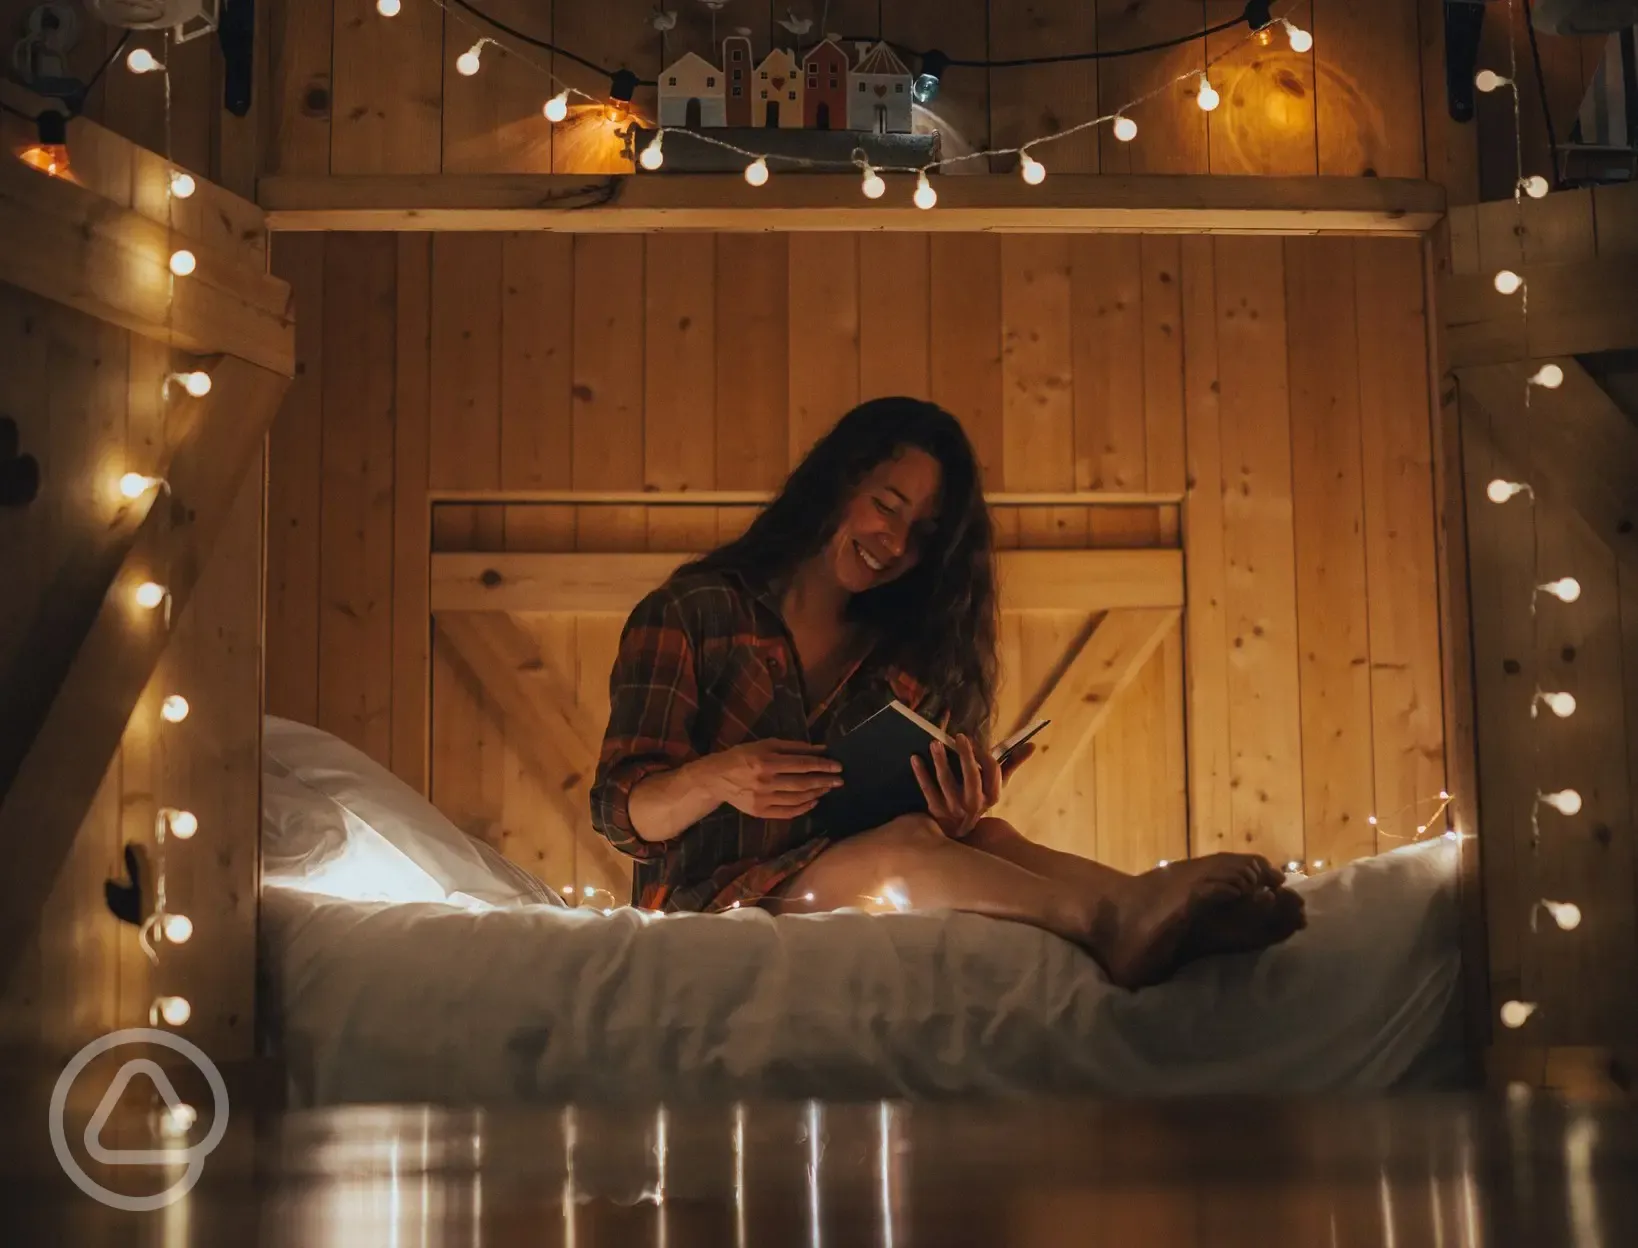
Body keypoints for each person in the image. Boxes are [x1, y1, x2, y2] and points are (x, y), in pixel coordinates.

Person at [590, 398, 1305, 989]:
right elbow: (624, 815)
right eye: (887, 506)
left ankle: (1148, 904)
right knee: (905, 848)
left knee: (987, 835)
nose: (896, 543)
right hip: (703, 898)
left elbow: (928, 830)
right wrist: (719, 777)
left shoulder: (903, 655)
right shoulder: (695, 611)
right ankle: (1114, 920)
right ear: (837, 485)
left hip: (839, 870)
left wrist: (955, 808)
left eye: (924, 534)